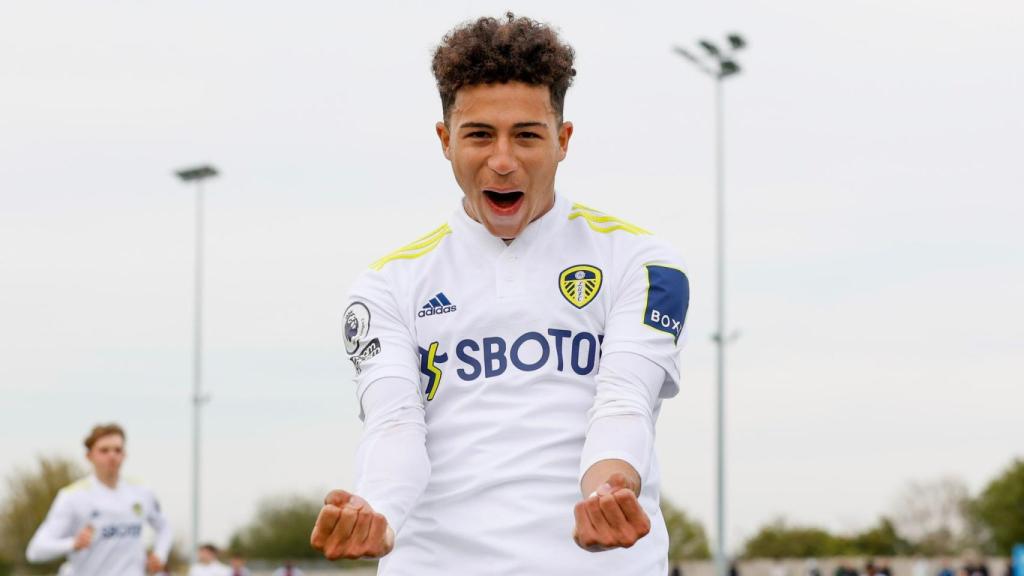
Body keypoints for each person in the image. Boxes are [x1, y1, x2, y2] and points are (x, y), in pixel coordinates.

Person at [310, 12, 690, 576]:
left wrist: (610, 491)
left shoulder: (643, 260)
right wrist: (380, 512)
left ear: (563, 141)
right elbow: (394, 425)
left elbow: (624, 402)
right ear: (445, 141)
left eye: (527, 135)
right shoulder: (386, 284)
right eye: (480, 134)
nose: (504, 160)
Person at [26, 423, 172, 576]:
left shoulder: (142, 492)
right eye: (104, 450)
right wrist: (73, 543)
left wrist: (159, 555)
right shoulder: (72, 497)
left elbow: (165, 528)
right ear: (89, 456)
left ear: (124, 455)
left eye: (118, 450)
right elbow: (35, 551)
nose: (112, 456)